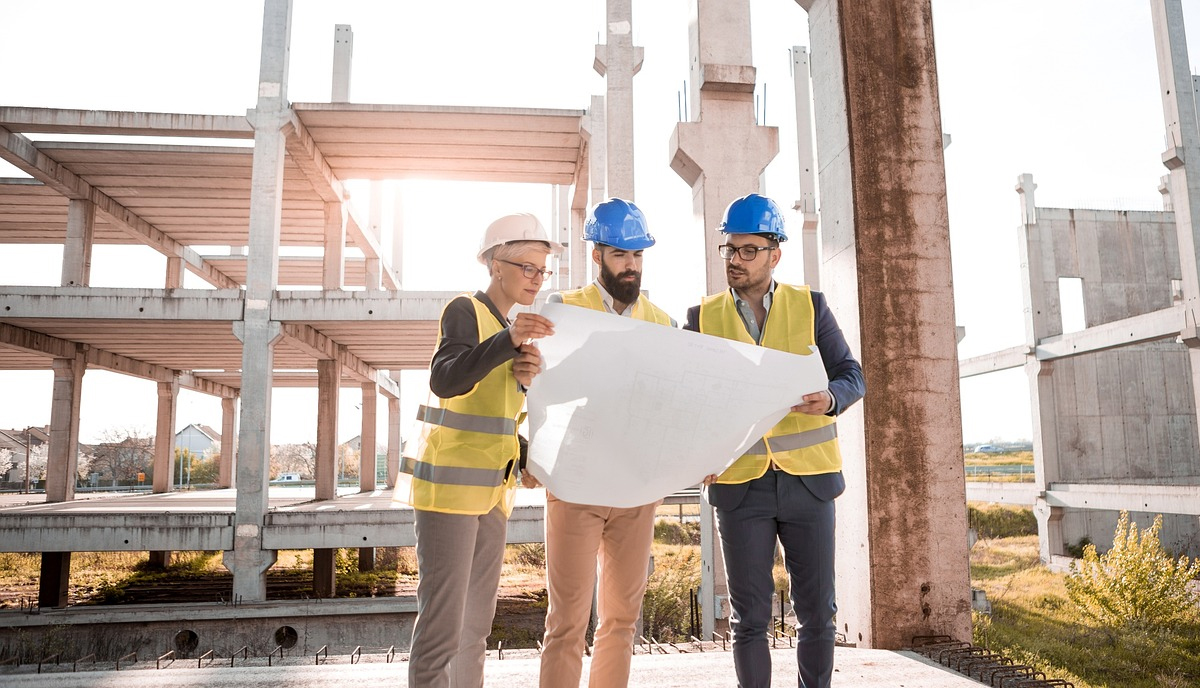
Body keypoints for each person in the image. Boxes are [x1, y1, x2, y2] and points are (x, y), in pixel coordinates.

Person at [684, 193, 865, 688]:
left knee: (817, 614)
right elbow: (686, 399)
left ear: (774, 254)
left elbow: (852, 374)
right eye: (729, 250)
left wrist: (829, 398)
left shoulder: (811, 306)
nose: (735, 261)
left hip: (809, 484)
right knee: (749, 622)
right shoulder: (702, 317)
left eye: (747, 251)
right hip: (741, 485)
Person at [399, 213, 562, 688]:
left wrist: (527, 451)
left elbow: (497, 422)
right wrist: (507, 342)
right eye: (527, 267)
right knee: (441, 629)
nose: (536, 278)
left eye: (542, 270)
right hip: (448, 494)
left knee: (474, 629)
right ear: (495, 264)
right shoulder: (464, 310)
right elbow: (445, 378)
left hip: (492, 495)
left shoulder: (507, 330)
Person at [537, 198, 675, 688]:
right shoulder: (563, 311)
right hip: (575, 485)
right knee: (566, 623)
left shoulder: (663, 322)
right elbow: (538, 390)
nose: (631, 265)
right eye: (621, 255)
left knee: (620, 622)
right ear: (597, 255)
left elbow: (671, 405)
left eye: (637, 255)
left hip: (636, 489)